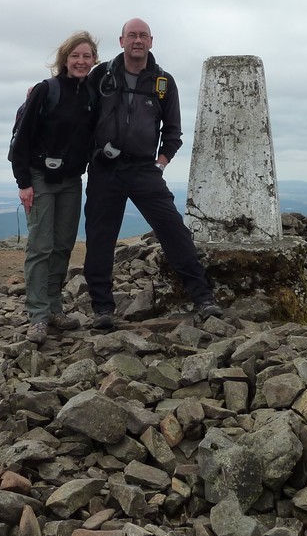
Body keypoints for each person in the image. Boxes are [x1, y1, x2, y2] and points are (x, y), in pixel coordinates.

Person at [83, 17, 221, 330]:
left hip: (144, 169)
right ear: (121, 41)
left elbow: (173, 130)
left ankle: (203, 298)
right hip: (105, 170)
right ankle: (102, 309)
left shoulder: (163, 82)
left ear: (151, 41)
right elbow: (81, 113)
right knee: (100, 238)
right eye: (131, 35)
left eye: (143, 35)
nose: (137, 40)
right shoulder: (101, 76)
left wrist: (161, 162)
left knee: (173, 230)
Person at [11, 31, 99, 344]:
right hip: (39, 178)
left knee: (62, 246)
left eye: (87, 56)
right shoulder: (46, 90)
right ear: (65, 59)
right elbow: (22, 138)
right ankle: (37, 316)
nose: (81, 61)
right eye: (75, 56)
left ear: (94, 60)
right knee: (40, 247)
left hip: (71, 180)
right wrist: (24, 183)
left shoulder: (92, 94)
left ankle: (53, 308)